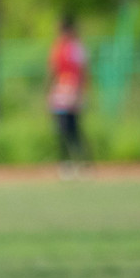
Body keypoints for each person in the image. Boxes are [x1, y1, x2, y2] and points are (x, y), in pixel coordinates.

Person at [48, 14, 88, 174]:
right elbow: (52, 70)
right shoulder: (57, 47)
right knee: (62, 128)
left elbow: (83, 71)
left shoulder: (76, 48)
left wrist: (80, 91)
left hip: (73, 92)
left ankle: (84, 162)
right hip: (61, 92)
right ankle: (66, 163)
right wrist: (50, 91)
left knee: (74, 129)